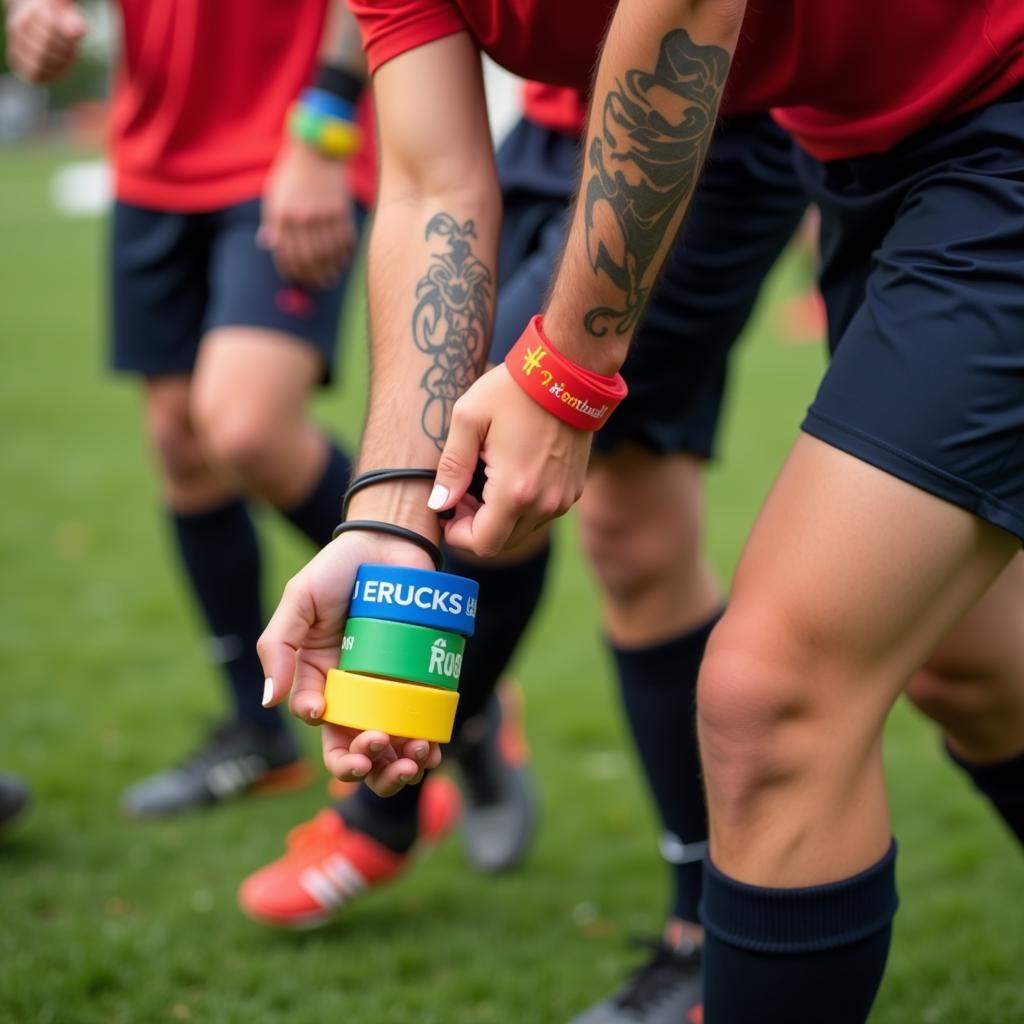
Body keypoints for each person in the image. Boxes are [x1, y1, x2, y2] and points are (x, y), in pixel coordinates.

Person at [257, 1, 1024, 1021]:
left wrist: (563, 371)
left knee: (769, 700)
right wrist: (388, 516)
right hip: (860, 156)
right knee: (969, 666)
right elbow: (432, 187)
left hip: (996, 122)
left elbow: (690, 12)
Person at [239, 83, 806, 1024]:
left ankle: (388, 806)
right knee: (638, 538)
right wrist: (381, 525)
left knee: (489, 471)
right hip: (542, 136)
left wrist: (564, 383)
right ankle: (702, 927)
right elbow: (421, 169)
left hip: (710, 134)